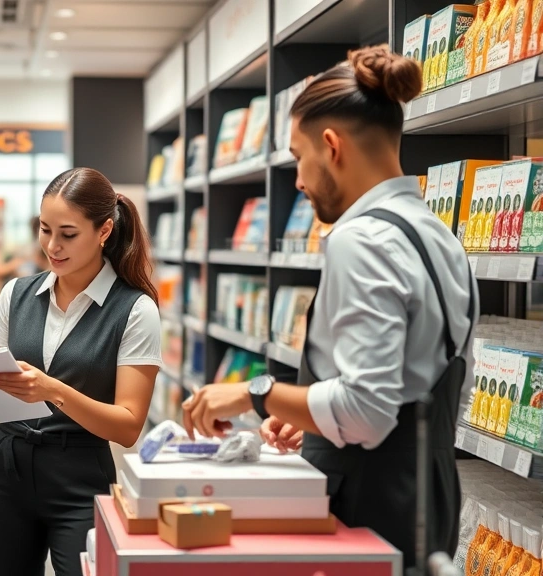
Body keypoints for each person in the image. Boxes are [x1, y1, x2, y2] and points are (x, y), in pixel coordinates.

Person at [180, 45, 478, 568]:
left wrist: (258, 395)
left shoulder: (359, 239)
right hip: (428, 496)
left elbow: (366, 411)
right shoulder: (438, 235)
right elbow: (416, 383)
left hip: (369, 508)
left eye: (298, 156)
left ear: (331, 145)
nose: (296, 178)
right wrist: (318, 418)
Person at [0, 167, 162, 576]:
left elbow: (128, 426)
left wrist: (53, 390)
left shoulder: (135, 310)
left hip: (79, 479)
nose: (52, 246)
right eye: (44, 230)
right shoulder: (16, 294)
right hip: (4, 471)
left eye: (68, 234)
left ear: (104, 230)